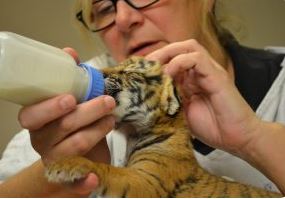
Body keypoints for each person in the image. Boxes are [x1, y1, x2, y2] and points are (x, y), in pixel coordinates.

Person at [0, 0, 284, 197]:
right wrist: (58, 169)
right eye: (105, 8)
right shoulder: (73, 100)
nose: (124, 19)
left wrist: (253, 137)